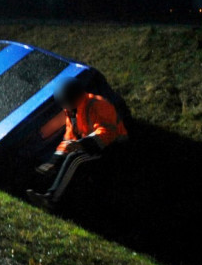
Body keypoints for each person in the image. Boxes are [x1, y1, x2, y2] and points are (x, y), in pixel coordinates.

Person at [26, 78, 128, 208]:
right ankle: (46, 194)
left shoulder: (97, 104)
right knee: (72, 158)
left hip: (113, 147)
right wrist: (54, 161)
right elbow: (69, 139)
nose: (64, 107)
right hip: (95, 146)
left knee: (76, 158)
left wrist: (82, 144)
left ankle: (51, 200)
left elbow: (108, 132)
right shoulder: (72, 111)